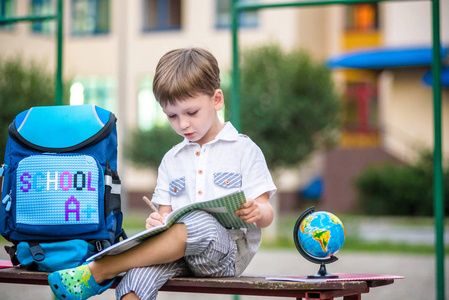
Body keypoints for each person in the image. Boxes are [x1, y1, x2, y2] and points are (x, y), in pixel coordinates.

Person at [48, 47, 277, 300]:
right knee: (136, 278)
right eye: (172, 116)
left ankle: (100, 269)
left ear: (217, 100)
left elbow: (267, 214)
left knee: (197, 221)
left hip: (224, 255)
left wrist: (256, 210)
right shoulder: (172, 159)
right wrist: (157, 223)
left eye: (191, 112)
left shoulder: (244, 149)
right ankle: (103, 271)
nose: (183, 124)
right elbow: (166, 216)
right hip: (178, 256)